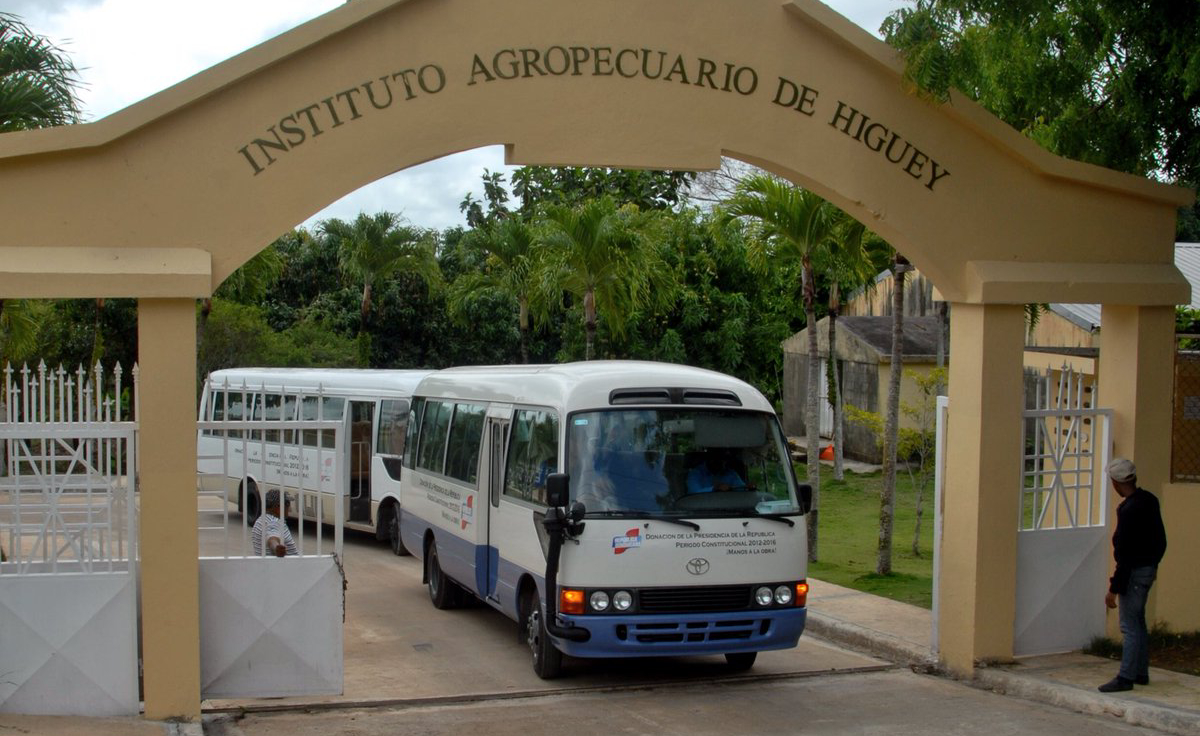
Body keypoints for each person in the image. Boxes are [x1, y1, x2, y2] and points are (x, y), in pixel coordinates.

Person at [1098, 457, 1167, 693]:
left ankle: (1125, 676)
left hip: (1134, 573)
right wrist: (1153, 565)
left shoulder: (1129, 509)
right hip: (1147, 569)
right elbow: (1160, 541)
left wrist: (1113, 588)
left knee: (1129, 625)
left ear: (1116, 482)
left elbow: (1125, 555)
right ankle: (1140, 671)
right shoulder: (1149, 500)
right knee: (1138, 621)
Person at [251, 489, 298, 557]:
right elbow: (272, 538)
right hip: (284, 566)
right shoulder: (273, 522)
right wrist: (276, 548)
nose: (289, 508)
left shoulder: (260, 520)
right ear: (278, 506)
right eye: (287, 504)